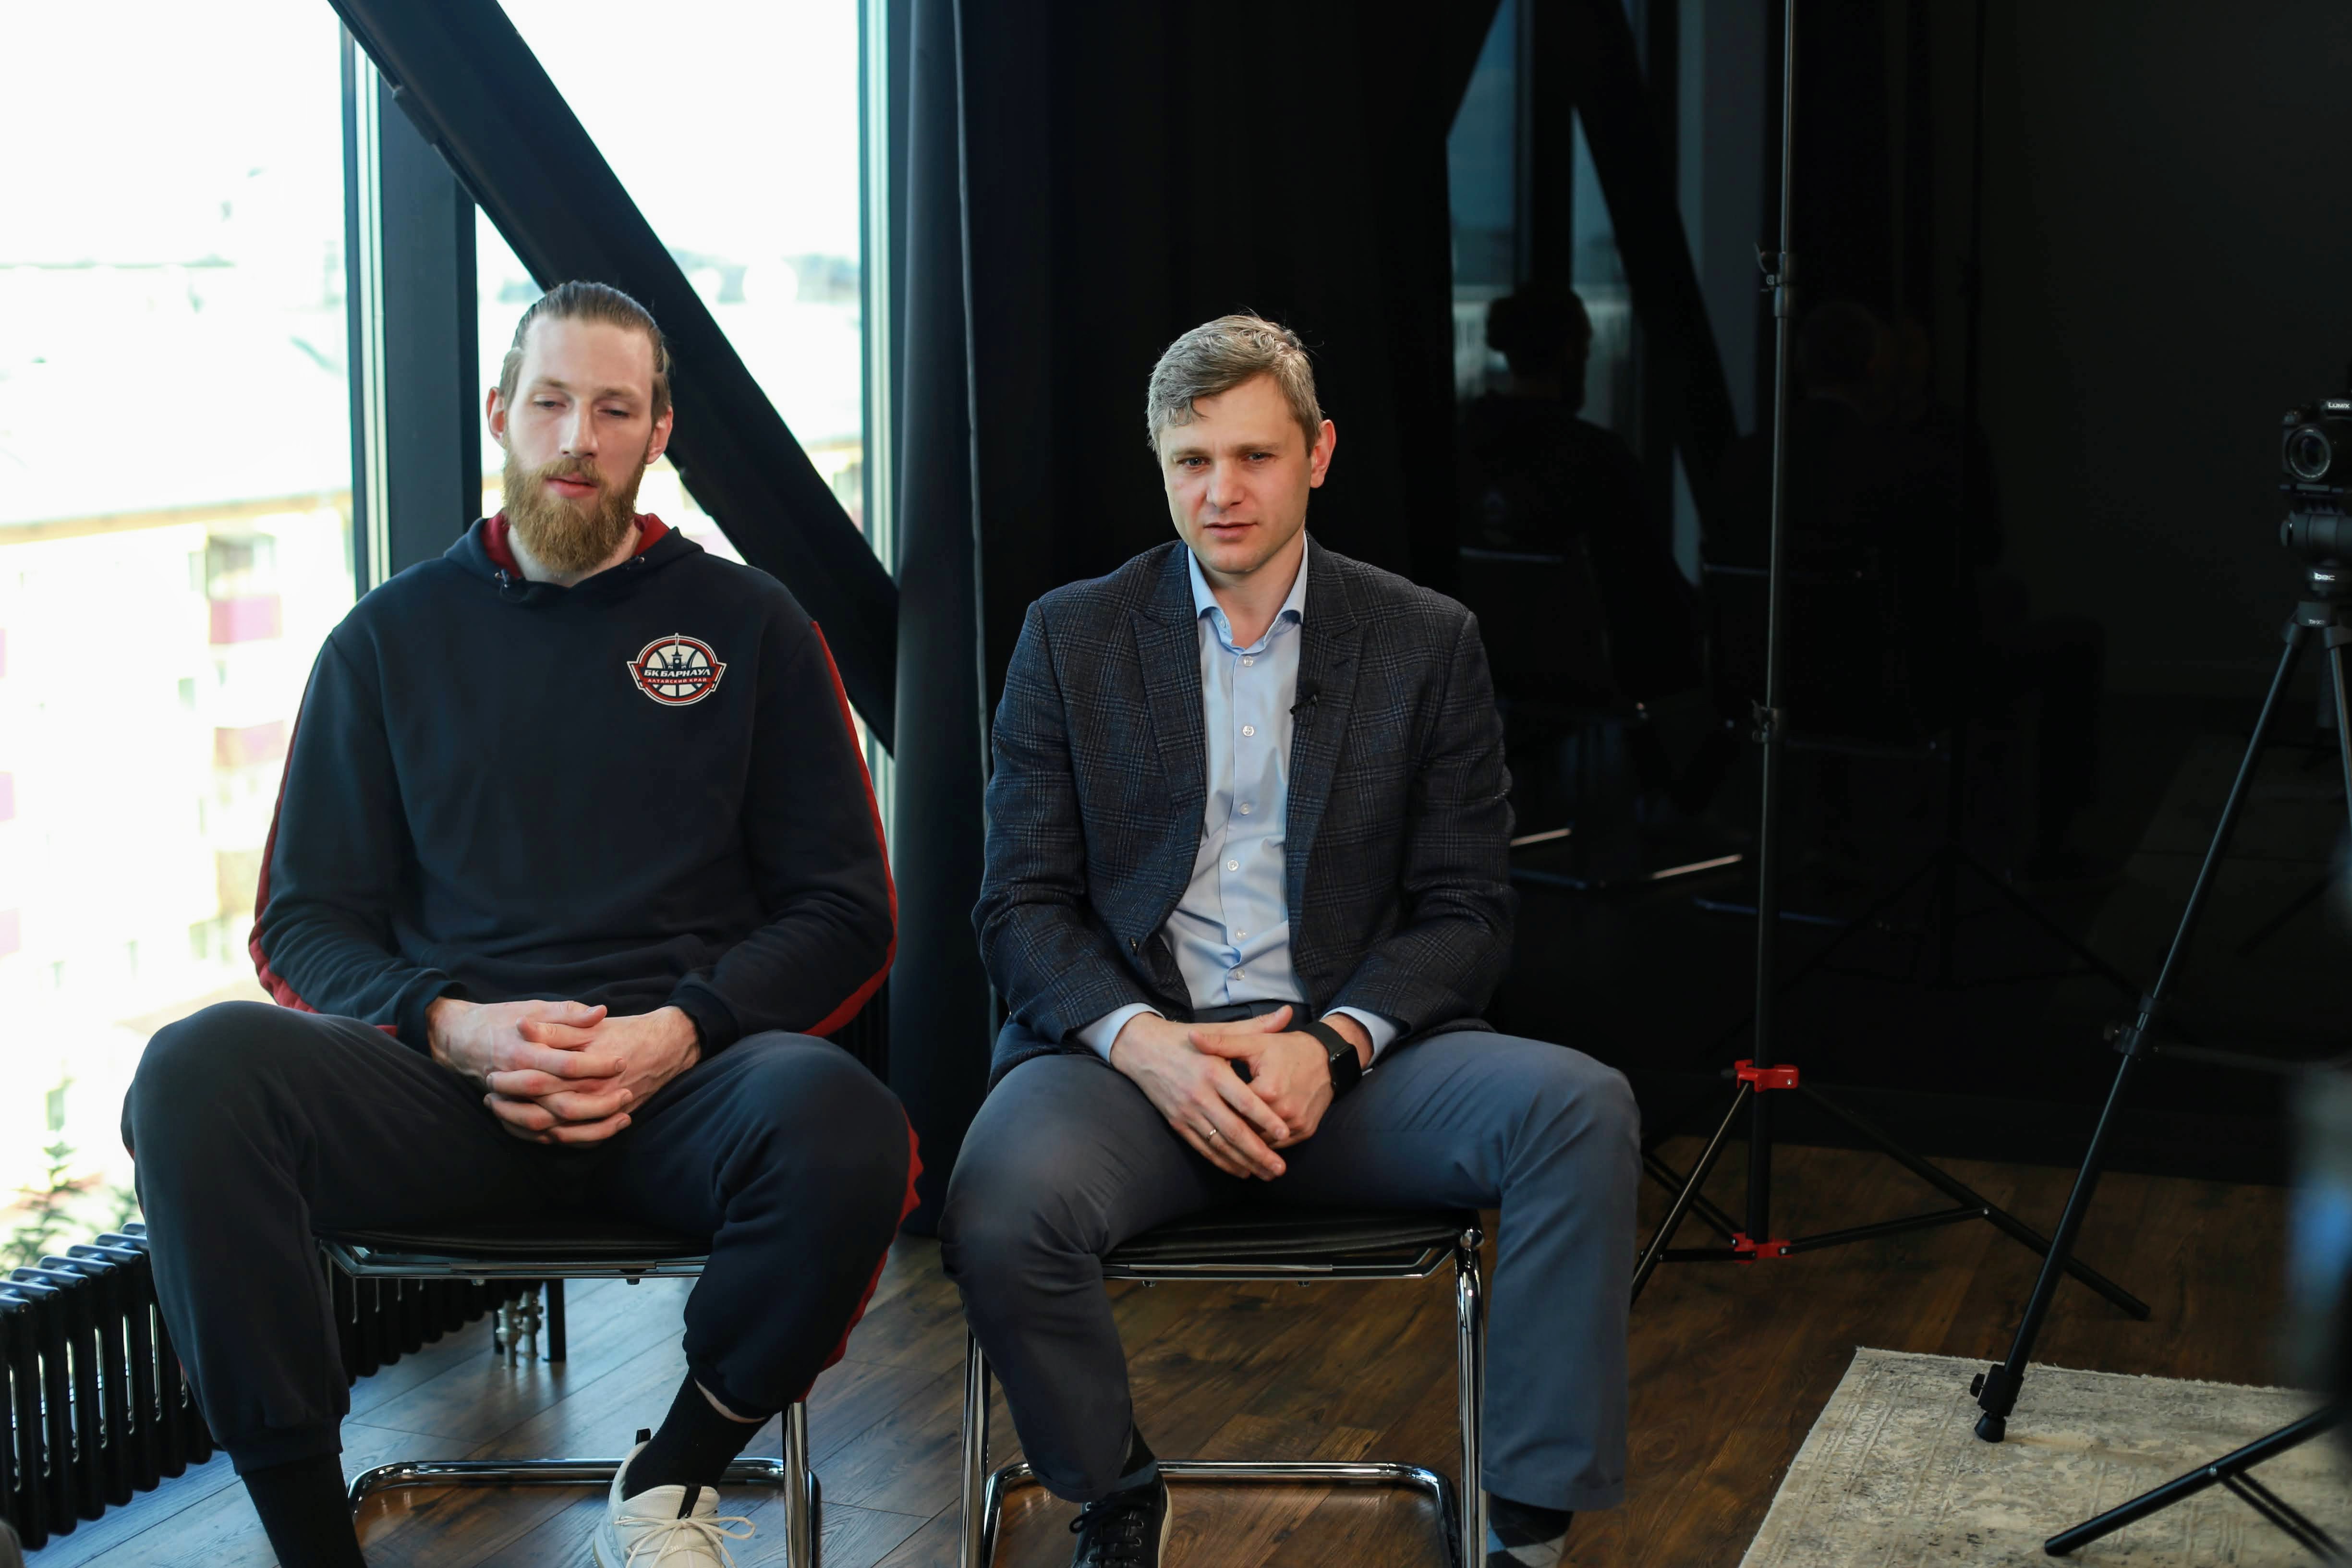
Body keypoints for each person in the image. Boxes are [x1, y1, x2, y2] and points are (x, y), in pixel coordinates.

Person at [122, 281, 917, 1568]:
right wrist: (453, 1027)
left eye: (614, 409)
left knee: (847, 1125)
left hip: (682, 1091)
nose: (577, 438)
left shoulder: (752, 625)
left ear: (659, 431)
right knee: (193, 1072)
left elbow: (846, 909)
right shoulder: (386, 641)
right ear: (501, 413)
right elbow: (303, 922)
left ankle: (669, 1483)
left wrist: (674, 1033)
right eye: (550, 402)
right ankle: (314, 1548)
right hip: (449, 1093)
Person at [942, 315, 1639, 1568]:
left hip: (1353, 1071)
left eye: (1254, 456)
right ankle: (1113, 1490)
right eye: (1192, 460)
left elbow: (1468, 909)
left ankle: (1526, 1538)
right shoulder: (1070, 635)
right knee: (998, 1206)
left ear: (1318, 454)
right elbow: (1019, 907)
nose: (1221, 491)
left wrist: (1334, 1045)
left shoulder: (1425, 639)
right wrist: (1148, 1047)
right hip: (1130, 1068)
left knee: (1579, 1109)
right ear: (1161, 467)